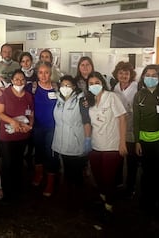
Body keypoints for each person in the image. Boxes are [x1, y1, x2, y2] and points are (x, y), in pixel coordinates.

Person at [133, 64, 159, 228]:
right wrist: (136, 141)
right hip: (144, 142)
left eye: (154, 75)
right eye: (147, 74)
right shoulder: (139, 95)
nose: (151, 77)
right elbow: (136, 120)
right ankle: (146, 204)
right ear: (143, 77)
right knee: (147, 174)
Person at [86, 71, 127, 220]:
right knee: (98, 177)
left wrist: (122, 142)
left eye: (97, 83)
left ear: (102, 83)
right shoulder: (89, 101)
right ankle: (103, 200)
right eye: (91, 84)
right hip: (96, 145)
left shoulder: (111, 97)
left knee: (109, 178)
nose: (94, 86)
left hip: (112, 145)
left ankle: (109, 207)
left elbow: (122, 118)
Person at [52, 75, 91, 204]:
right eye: (63, 85)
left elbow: (86, 122)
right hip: (62, 142)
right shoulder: (58, 99)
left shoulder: (81, 100)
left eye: (68, 85)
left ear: (74, 87)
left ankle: (79, 200)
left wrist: (87, 140)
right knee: (67, 173)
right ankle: (68, 198)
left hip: (76, 143)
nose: (65, 88)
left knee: (76, 174)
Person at [0, 69, 33, 201]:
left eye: (22, 79)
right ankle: (6, 191)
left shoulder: (28, 96)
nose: (19, 82)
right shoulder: (4, 94)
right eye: (16, 79)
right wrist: (14, 122)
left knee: (18, 162)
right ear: (11, 81)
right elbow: (0, 113)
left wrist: (30, 125)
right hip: (7, 135)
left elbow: (30, 114)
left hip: (22, 134)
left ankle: (17, 189)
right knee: (7, 163)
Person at [31, 62, 59, 197]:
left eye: (46, 72)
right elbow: (15, 89)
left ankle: (51, 182)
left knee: (50, 153)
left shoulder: (57, 88)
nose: (43, 75)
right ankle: (39, 174)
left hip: (53, 127)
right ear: (37, 73)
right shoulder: (32, 87)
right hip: (37, 126)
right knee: (39, 151)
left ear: (51, 73)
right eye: (40, 72)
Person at [112, 61, 139, 197]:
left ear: (131, 75)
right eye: (121, 73)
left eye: (126, 73)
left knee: (132, 161)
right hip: (118, 129)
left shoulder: (137, 87)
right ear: (116, 74)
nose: (123, 76)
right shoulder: (114, 88)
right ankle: (117, 183)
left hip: (133, 128)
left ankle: (130, 187)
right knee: (118, 159)